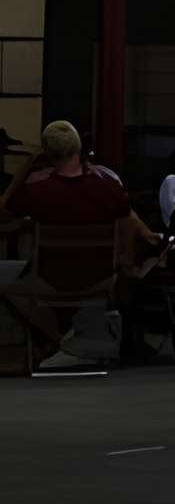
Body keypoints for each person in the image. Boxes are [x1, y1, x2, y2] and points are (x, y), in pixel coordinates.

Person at [4, 119, 138, 371]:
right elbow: (127, 227)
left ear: (46, 153)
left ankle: (60, 342)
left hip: (50, 281)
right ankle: (70, 343)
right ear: (79, 149)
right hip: (100, 278)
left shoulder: (37, 192)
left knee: (11, 285)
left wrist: (24, 171)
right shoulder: (109, 188)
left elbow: (4, 213)